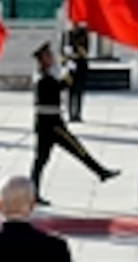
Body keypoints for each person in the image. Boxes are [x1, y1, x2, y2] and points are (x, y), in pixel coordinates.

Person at [29, 42, 119, 205]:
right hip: (51, 124)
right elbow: (60, 86)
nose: (51, 58)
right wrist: (69, 68)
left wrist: (68, 67)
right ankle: (100, 172)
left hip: (47, 122)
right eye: (48, 56)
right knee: (74, 149)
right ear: (42, 59)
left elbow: (62, 84)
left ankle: (33, 193)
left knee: (41, 160)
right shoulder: (43, 78)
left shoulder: (44, 74)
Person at [61, 23, 89, 122]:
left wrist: (75, 52)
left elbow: (84, 52)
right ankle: (70, 114)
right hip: (70, 67)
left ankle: (78, 113)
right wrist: (65, 59)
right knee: (70, 91)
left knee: (79, 91)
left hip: (81, 66)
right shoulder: (67, 35)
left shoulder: (83, 35)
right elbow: (62, 51)